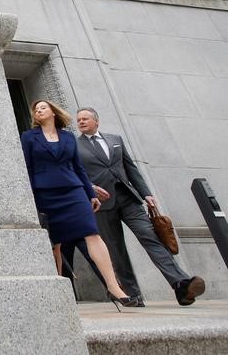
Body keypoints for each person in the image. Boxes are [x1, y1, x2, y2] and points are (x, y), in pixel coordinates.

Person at [74, 107, 205, 306]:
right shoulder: (75, 145)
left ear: (96, 121)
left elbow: (130, 168)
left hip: (129, 198)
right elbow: (76, 172)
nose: (81, 122)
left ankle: (180, 283)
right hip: (101, 203)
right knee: (116, 250)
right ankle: (132, 295)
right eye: (79, 120)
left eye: (85, 118)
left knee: (150, 237)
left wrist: (146, 193)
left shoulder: (115, 139)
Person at [20, 100, 139, 308]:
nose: (39, 110)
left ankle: (114, 287)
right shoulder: (29, 137)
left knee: (92, 234)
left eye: (43, 107)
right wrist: (30, 196)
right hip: (45, 193)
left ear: (53, 112)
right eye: (36, 109)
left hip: (73, 191)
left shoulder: (68, 137)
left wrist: (89, 192)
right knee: (56, 244)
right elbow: (27, 167)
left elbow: (78, 167)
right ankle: (59, 295)